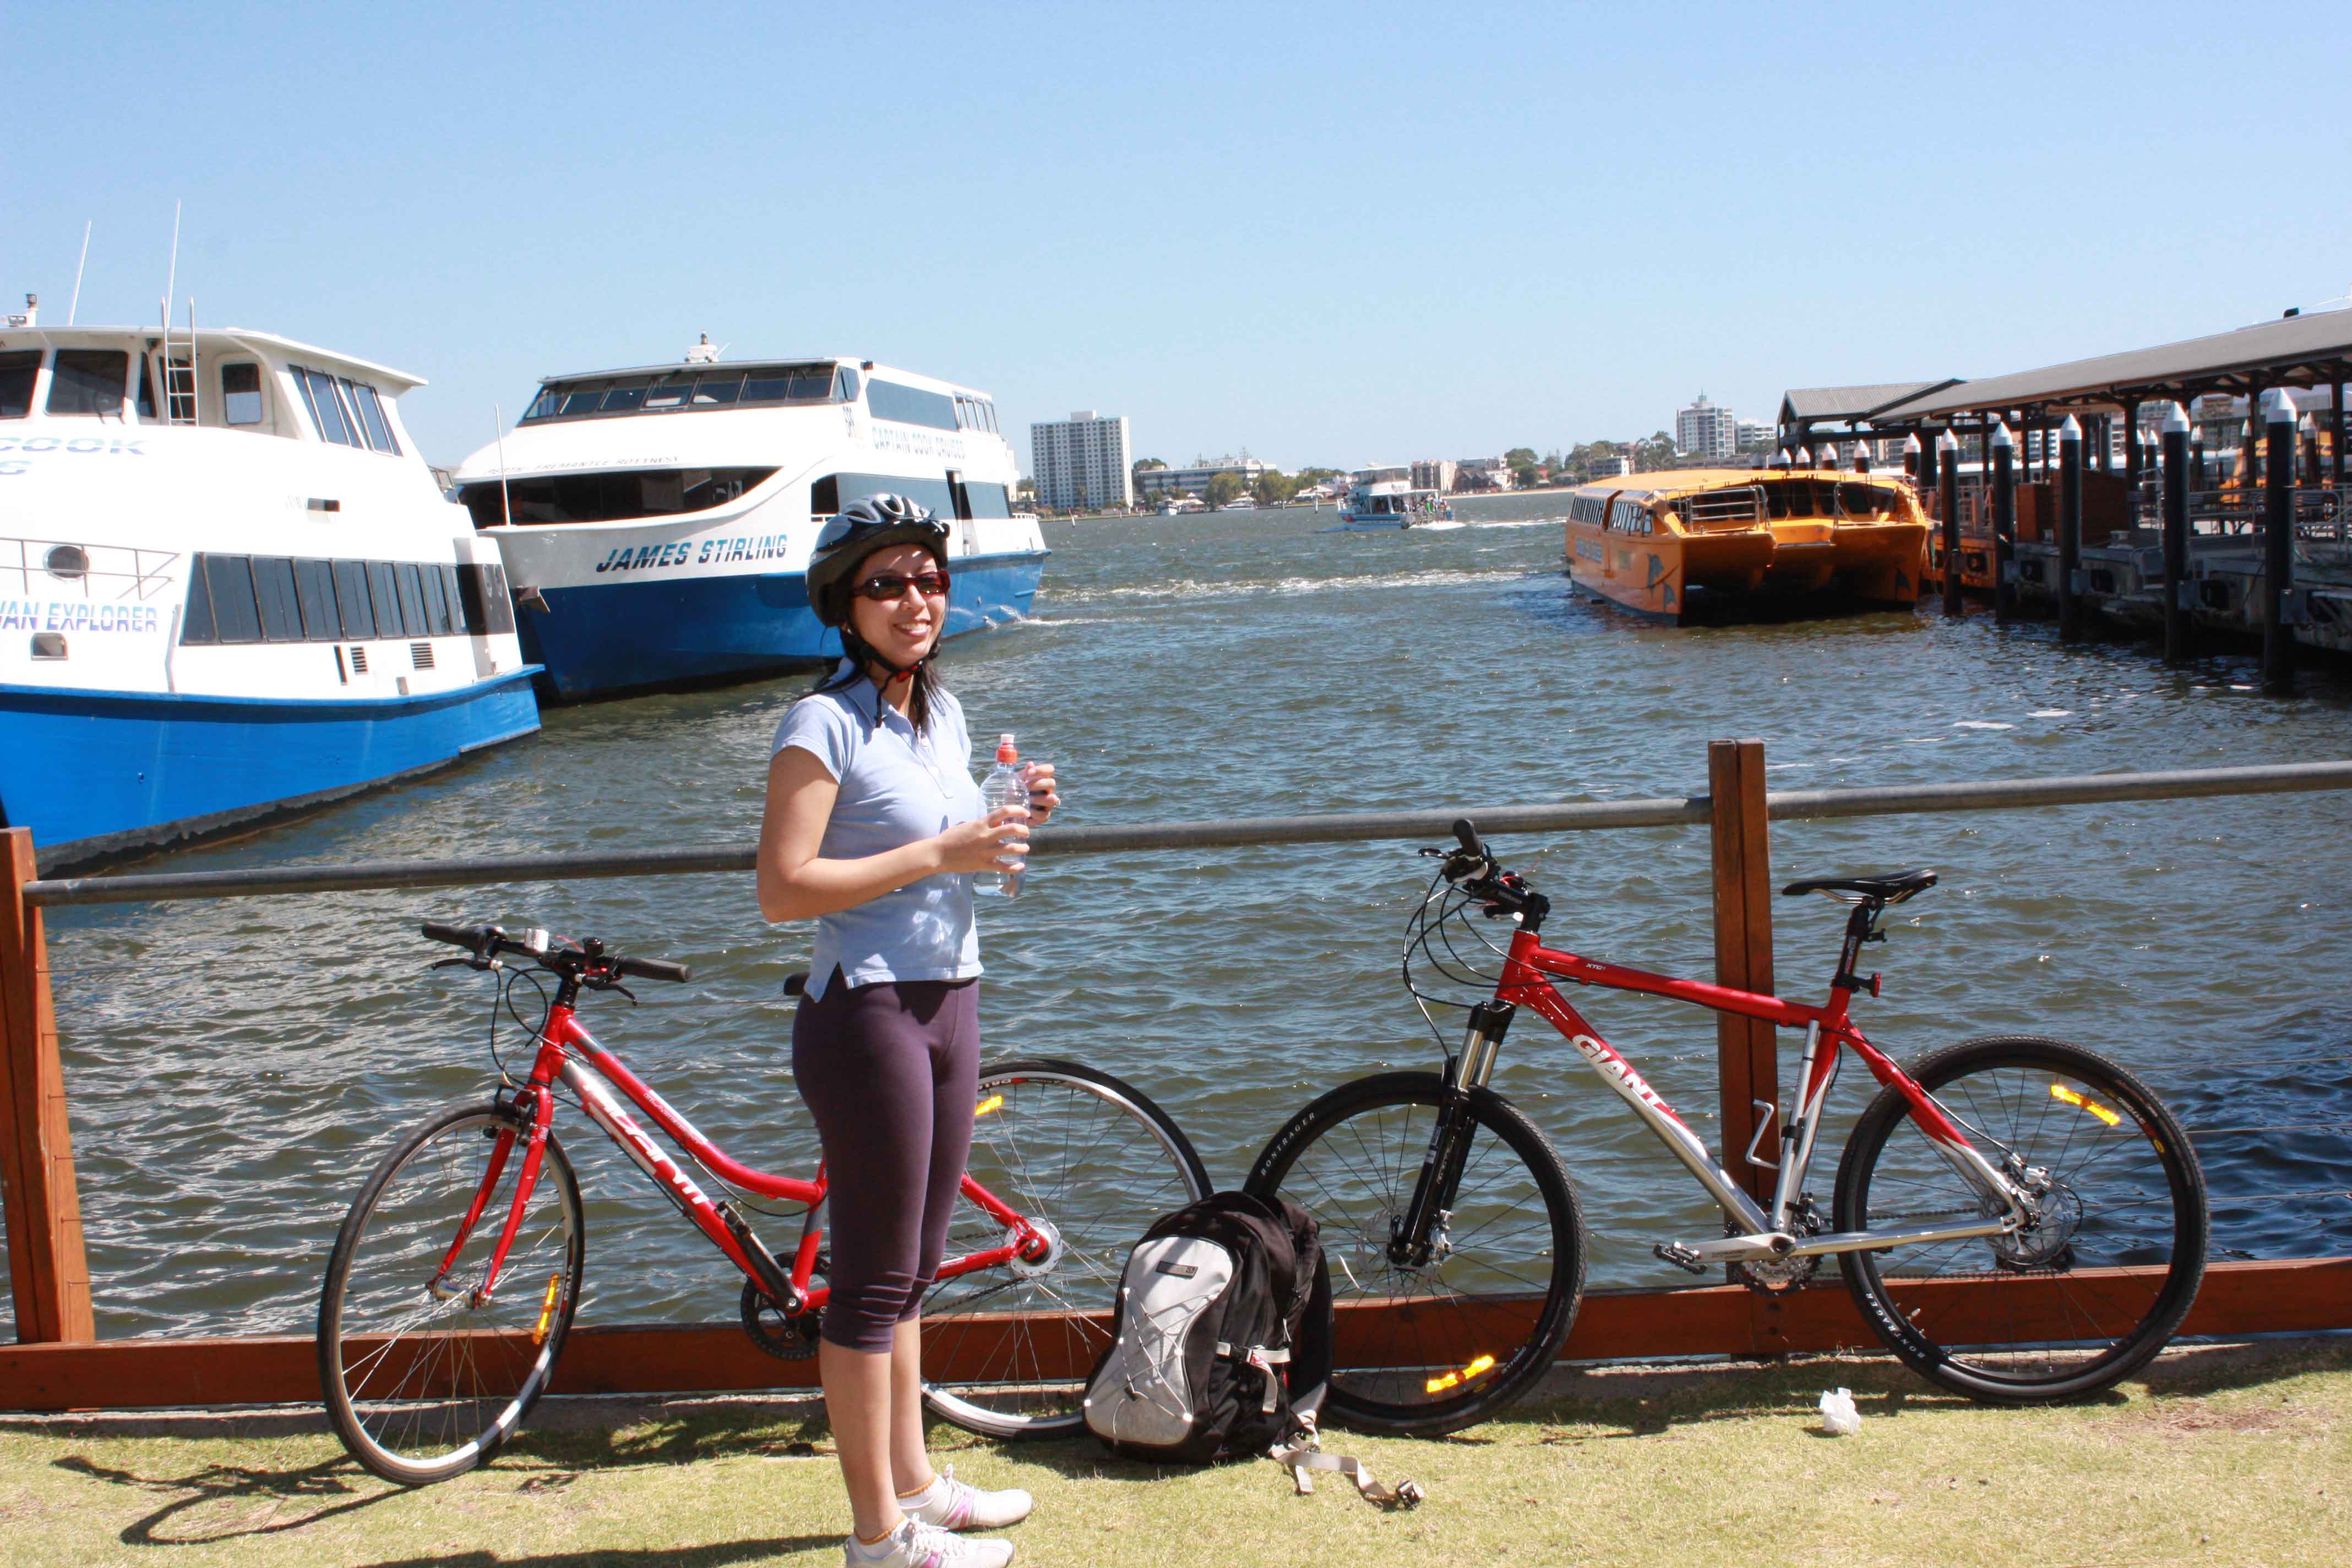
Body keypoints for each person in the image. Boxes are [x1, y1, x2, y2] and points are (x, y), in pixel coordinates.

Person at [756, 495, 1058, 1568]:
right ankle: (877, 1536)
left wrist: (1012, 816)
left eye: (929, 579)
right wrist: (941, 853)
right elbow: (784, 888)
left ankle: (918, 1482)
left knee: (916, 1269)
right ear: (844, 606)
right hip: (868, 1009)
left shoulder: (943, 716)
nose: (914, 600)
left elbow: (966, 849)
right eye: (886, 584)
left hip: (951, 995)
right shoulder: (822, 723)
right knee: (871, 1283)